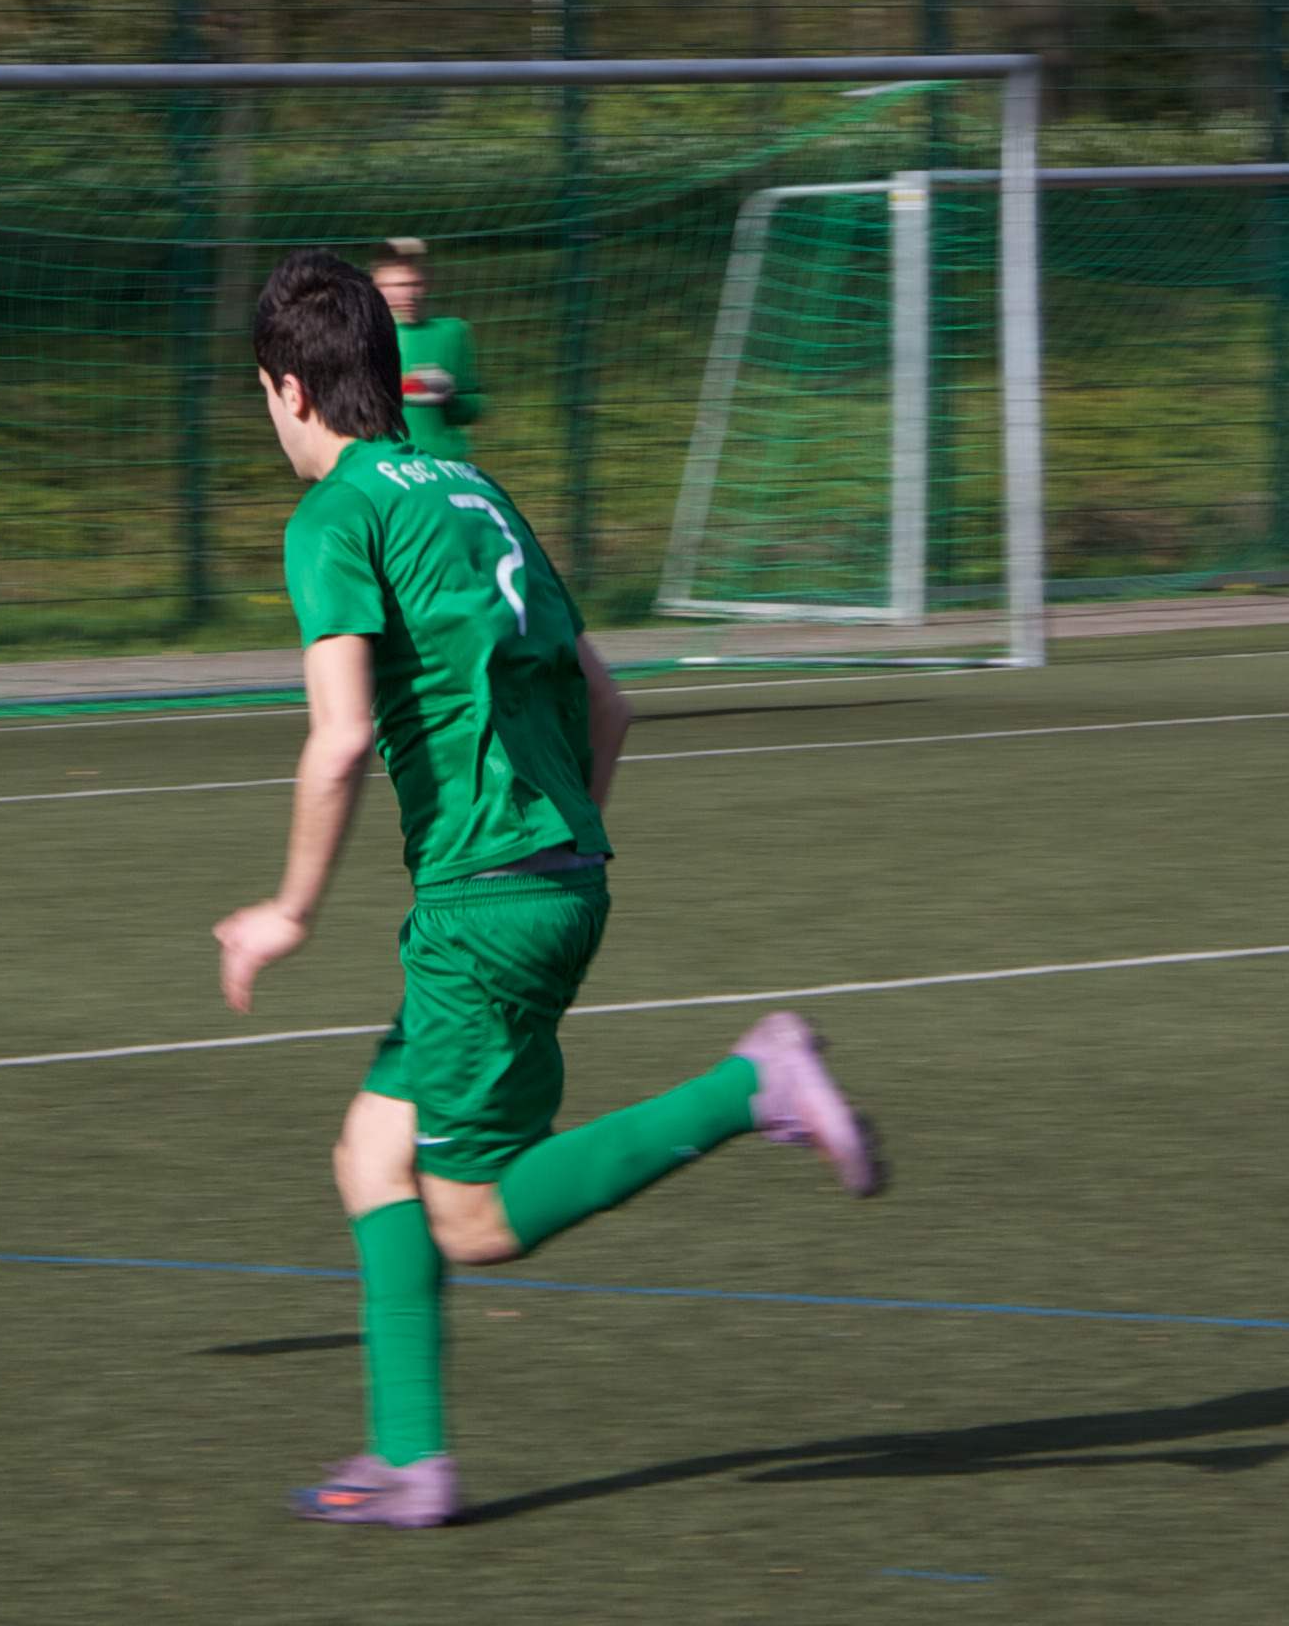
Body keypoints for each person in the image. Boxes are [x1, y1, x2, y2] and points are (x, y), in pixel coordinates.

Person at [213, 248, 882, 1529]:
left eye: (263, 397)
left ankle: (752, 1085)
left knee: (468, 1221)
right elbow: (608, 706)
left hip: (482, 906)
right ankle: (409, 1458)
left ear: (289, 390)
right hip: (558, 872)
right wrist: (550, 852)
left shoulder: (334, 517)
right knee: (371, 1151)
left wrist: (285, 912)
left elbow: (339, 740)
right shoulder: (473, 490)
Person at [370, 239, 484, 460]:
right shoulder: (365, 336)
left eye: (416, 284)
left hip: (443, 462)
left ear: (427, 283)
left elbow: (473, 407)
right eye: (399, 286)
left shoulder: (452, 333)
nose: (410, 294)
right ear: (379, 287)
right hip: (386, 462)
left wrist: (449, 397)